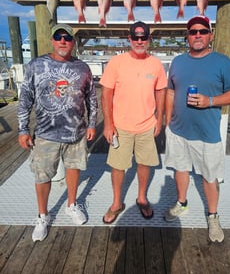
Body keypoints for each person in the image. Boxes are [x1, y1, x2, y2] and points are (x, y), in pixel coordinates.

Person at [164, 15, 230, 242]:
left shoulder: (222, 62)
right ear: (187, 36)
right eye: (192, 32)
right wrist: (167, 120)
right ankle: (182, 203)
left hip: (207, 134)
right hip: (178, 131)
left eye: (202, 31)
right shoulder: (178, 61)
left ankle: (213, 215)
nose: (197, 35)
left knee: (210, 177)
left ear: (210, 35)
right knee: (180, 170)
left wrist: (210, 101)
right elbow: (170, 91)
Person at [18, 24, 98, 242]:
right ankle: (43, 215)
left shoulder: (83, 68)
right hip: (45, 134)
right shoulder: (36, 65)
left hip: (76, 133)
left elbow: (91, 98)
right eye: (58, 36)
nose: (63, 41)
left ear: (73, 42)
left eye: (67, 37)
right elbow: (25, 97)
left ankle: (71, 205)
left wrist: (92, 124)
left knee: (74, 168)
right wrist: (23, 128)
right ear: (52, 40)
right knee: (42, 175)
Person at [100, 21, 167, 224]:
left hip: (147, 125)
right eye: (136, 37)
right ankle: (116, 203)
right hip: (120, 126)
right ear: (129, 39)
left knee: (144, 163)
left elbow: (161, 91)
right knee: (118, 166)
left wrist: (160, 119)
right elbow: (106, 94)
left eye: (143, 37)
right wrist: (108, 124)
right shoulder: (116, 62)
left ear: (149, 40)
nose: (140, 41)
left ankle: (141, 198)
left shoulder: (156, 64)